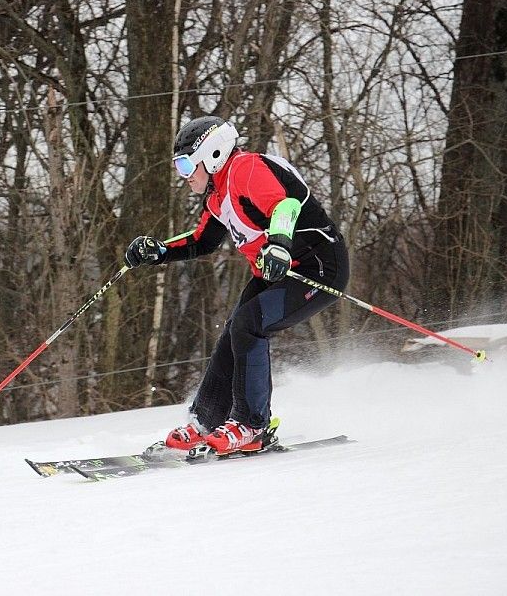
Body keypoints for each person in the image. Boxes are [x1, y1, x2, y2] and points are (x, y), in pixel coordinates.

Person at [124, 116, 349, 455]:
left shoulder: (246, 169)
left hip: (318, 266)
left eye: (186, 164)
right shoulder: (217, 195)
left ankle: (252, 425)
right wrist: (159, 251)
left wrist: (279, 243)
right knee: (236, 330)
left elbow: (286, 205)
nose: (184, 175)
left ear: (213, 155)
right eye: (178, 166)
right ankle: (206, 421)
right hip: (277, 271)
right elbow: (203, 241)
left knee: (249, 324)